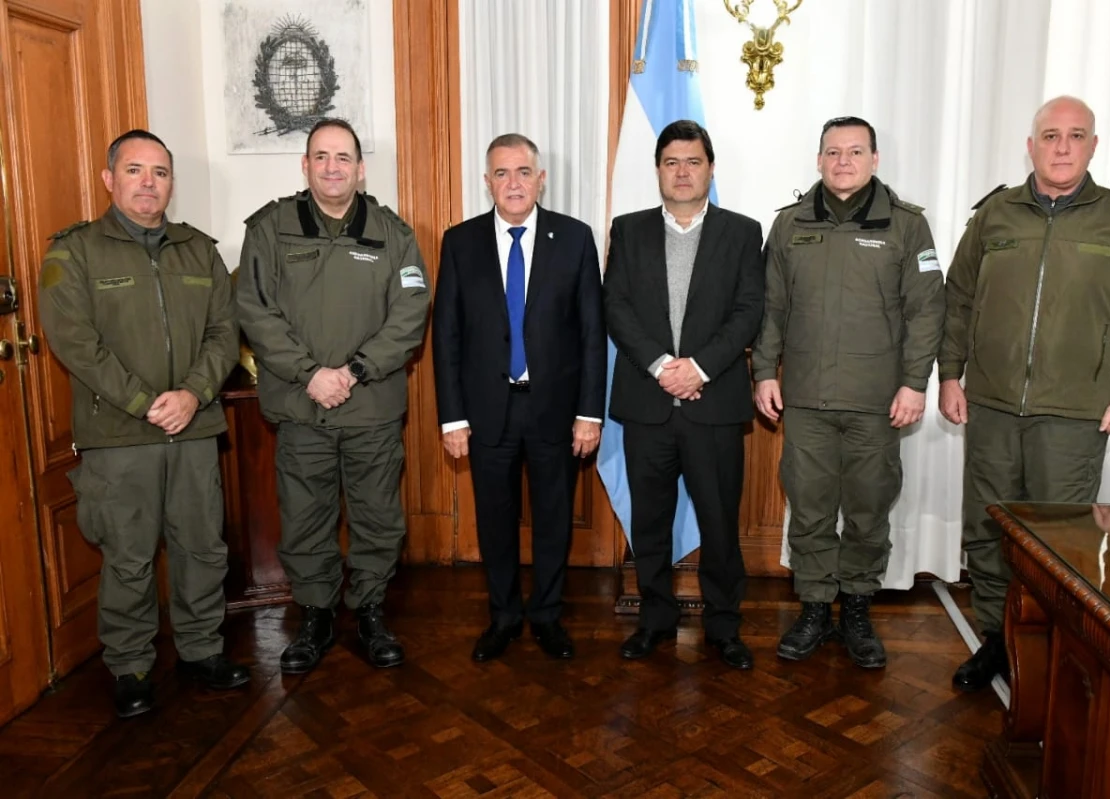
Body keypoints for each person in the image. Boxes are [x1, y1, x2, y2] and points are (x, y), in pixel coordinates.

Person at [939, 96, 1110, 691]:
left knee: (1060, 543)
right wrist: (950, 374)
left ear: (1093, 146)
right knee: (989, 530)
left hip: (1075, 416)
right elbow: (958, 298)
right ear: (1032, 145)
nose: (1063, 146)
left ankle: (1046, 651)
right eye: (1050, 135)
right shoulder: (995, 214)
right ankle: (995, 640)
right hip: (992, 406)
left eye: (1076, 136)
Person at [39, 129, 247, 718]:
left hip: (195, 425)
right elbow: (74, 342)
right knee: (128, 554)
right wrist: (144, 402)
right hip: (119, 435)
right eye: (135, 170)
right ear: (109, 179)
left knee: (202, 547)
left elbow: (223, 333)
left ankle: (201, 650)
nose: (148, 183)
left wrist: (194, 394)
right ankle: (130, 666)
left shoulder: (198, 250)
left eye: (159, 172)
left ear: (170, 183)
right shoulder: (73, 252)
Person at [237, 118, 431, 674]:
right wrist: (311, 373)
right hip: (302, 408)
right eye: (320, 156)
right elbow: (254, 311)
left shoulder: (394, 234)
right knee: (305, 518)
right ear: (305, 165)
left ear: (360, 168)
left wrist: (356, 370)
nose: (332, 167)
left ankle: (370, 610)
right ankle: (316, 615)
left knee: (377, 517)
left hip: (370, 407)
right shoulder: (271, 229)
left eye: (343, 157)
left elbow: (410, 313)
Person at [752, 116, 945, 669]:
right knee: (809, 509)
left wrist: (914, 383)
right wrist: (765, 372)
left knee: (868, 509)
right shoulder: (789, 226)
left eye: (855, 152)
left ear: (875, 160)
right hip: (806, 400)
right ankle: (814, 607)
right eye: (833, 152)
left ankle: (857, 607)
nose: (843, 161)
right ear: (818, 161)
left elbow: (927, 310)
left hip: (877, 401)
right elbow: (772, 310)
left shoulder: (907, 227)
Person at [433, 133, 605, 662]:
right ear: (487, 182)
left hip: (554, 409)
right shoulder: (459, 242)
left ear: (541, 178)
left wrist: (588, 413)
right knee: (495, 519)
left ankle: (548, 615)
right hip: (488, 411)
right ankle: (505, 615)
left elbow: (591, 332)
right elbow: (447, 336)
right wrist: (452, 418)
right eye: (502, 174)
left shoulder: (575, 239)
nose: (513, 183)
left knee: (554, 517)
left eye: (523, 172)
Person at [604, 119, 764, 670]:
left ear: (710, 168)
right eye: (671, 162)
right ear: (657, 171)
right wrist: (660, 367)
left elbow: (749, 312)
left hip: (713, 405)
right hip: (647, 405)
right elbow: (615, 307)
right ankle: (655, 620)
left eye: (692, 161)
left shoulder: (743, 232)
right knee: (649, 522)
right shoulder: (627, 230)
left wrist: (698, 368)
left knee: (720, 523)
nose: (682, 171)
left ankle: (723, 625)